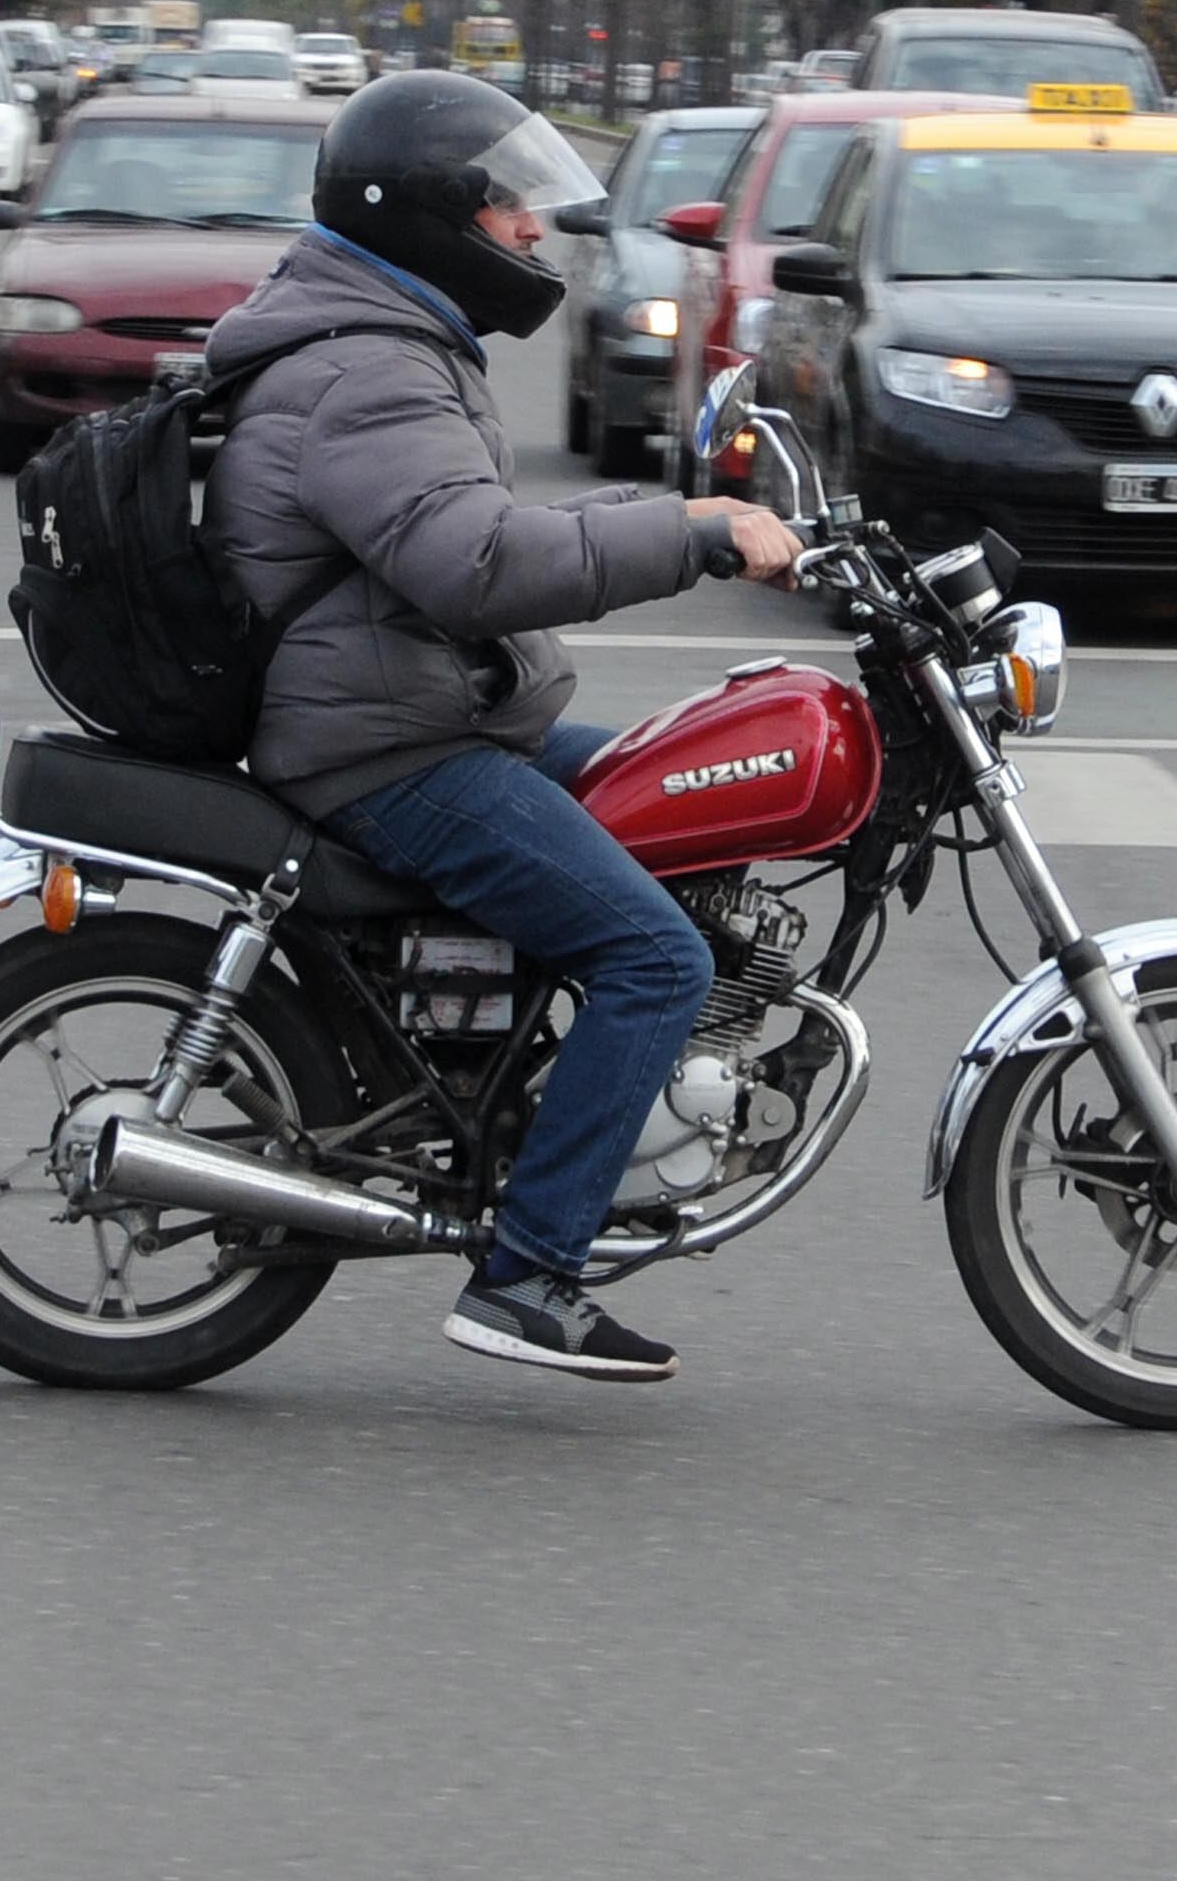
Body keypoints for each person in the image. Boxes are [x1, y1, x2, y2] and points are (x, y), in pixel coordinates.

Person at [207, 71, 799, 1383]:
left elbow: (450, 540)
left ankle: (542, 1095)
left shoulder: (384, 338)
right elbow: (476, 566)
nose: (532, 233)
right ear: (428, 215)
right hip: (386, 745)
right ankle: (530, 1271)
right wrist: (693, 532)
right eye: (506, 210)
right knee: (654, 956)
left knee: (684, 800)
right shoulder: (366, 368)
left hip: (416, 706)